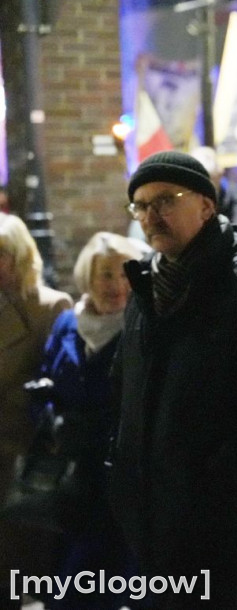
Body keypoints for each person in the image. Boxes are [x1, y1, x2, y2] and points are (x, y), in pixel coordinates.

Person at [108, 151, 237, 608]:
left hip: (223, 530)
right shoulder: (146, 286)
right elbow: (126, 388)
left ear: (207, 206)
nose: (150, 216)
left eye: (165, 201)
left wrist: (214, 490)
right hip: (154, 520)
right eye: (140, 206)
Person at [33, 232, 147, 609]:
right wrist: (46, 416)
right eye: (105, 274)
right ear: (88, 277)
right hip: (72, 475)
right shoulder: (68, 324)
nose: (115, 285)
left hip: (120, 476)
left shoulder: (143, 327)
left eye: (123, 274)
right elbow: (48, 378)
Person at [0, 213, 73, 607]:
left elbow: (60, 381)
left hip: (24, 459)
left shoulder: (49, 307)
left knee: (24, 570)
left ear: (20, 257)